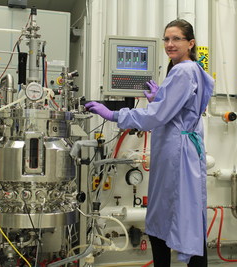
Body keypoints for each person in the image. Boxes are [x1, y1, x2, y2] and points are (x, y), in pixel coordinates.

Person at [85, 19, 214, 267]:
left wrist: (114, 114)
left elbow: (157, 116)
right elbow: (179, 109)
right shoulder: (193, 69)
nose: (169, 44)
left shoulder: (182, 71)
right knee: (184, 218)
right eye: (166, 39)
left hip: (175, 154)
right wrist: (161, 97)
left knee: (166, 218)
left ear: (191, 43)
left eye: (176, 39)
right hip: (180, 151)